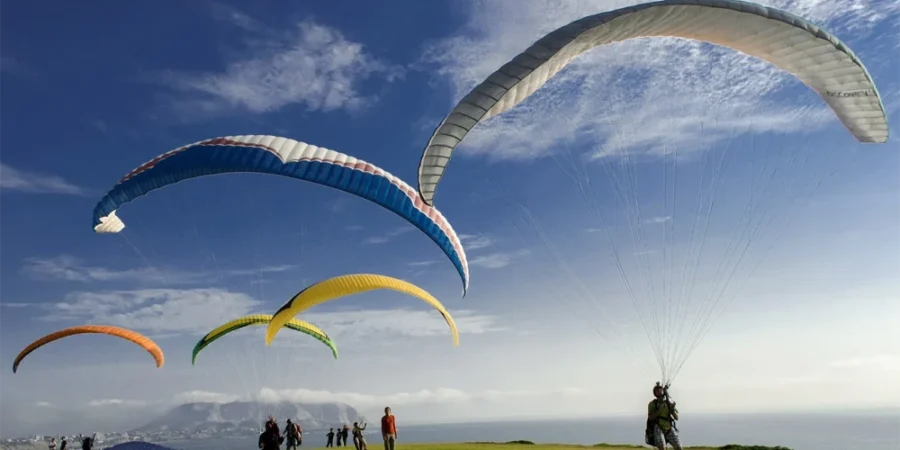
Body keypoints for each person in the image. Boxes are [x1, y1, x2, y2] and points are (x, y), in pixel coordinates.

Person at [647, 383, 682, 450]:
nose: (659, 391)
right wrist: (659, 411)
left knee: (678, 447)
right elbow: (650, 418)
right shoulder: (653, 404)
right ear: (655, 393)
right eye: (657, 390)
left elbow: (677, 417)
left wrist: (672, 411)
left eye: (660, 389)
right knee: (662, 448)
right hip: (658, 427)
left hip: (669, 427)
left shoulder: (668, 403)